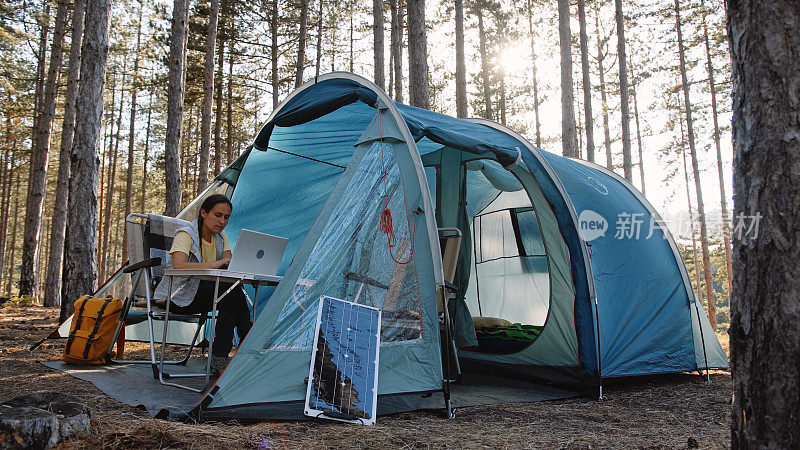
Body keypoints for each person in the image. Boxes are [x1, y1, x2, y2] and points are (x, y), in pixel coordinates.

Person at [153, 194, 252, 374]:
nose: (222, 221)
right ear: (204, 213)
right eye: (218, 215)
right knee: (232, 290)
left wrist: (231, 263)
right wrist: (215, 264)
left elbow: (227, 258)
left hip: (207, 294)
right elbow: (179, 265)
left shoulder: (221, 237)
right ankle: (246, 347)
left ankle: (226, 353)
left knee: (233, 290)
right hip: (179, 295)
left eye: (226, 217)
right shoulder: (186, 233)